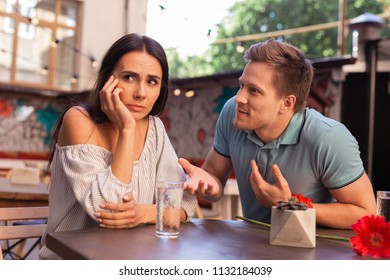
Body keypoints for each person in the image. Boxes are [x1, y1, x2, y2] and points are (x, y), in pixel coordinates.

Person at [179, 38, 376, 229]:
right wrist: (207, 184)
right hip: (252, 248)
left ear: (287, 103)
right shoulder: (233, 112)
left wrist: (291, 204)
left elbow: (365, 212)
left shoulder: (330, 138)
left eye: (254, 91)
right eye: (241, 85)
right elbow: (214, 175)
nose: (239, 98)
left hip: (311, 252)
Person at [39, 33, 196, 259]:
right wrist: (127, 130)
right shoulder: (78, 120)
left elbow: (184, 205)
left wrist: (141, 214)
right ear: (108, 80)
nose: (141, 93)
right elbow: (107, 209)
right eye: (130, 77)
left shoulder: (154, 128)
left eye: (152, 81)